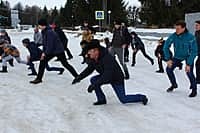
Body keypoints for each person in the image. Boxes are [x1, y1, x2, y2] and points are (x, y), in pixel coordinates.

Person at [72, 39, 148, 105]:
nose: (88, 54)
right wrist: (79, 77)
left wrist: (95, 85)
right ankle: (101, 100)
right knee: (93, 79)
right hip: (106, 76)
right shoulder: (93, 58)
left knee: (123, 99)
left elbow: (107, 75)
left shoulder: (107, 58)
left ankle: (142, 97)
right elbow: (89, 69)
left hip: (116, 78)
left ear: (96, 50)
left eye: (89, 52)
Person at [30, 19, 78, 84]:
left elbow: (50, 45)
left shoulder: (49, 32)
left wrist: (45, 53)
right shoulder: (44, 31)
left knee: (65, 64)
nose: (38, 27)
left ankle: (77, 77)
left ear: (43, 25)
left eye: (39, 25)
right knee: (42, 62)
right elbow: (45, 43)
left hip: (58, 50)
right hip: (52, 50)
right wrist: (43, 52)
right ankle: (39, 79)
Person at [163, 20, 198, 97]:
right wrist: (168, 59)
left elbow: (194, 51)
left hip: (188, 56)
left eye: (178, 29)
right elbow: (166, 46)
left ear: (183, 28)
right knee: (168, 69)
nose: (176, 30)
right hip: (177, 56)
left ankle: (194, 89)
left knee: (189, 72)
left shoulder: (190, 37)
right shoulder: (173, 36)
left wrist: (188, 64)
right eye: (175, 28)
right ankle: (174, 84)